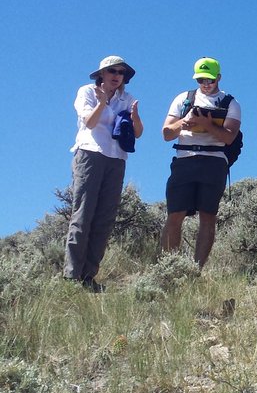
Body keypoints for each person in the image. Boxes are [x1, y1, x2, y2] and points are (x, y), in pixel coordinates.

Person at [64, 55, 144, 292]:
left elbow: (138, 133)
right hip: (90, 155)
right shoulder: (87, 92)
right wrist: (101, 103)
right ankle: (71, 277)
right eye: (112, 71)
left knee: (105, 219)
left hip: (116, 159)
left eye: (121, 72)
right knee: (83, 214)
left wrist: (135, 117)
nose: (116, 76)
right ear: (101, 74)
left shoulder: (127, 99)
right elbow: (89, 122)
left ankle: (88, 277)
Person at [162, 57, 242, 268]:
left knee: (208, 216)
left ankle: (196, 269)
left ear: (219, 78)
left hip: (214, 162)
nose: (206, 84)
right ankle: (169, 268)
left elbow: (228, 137)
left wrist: (206, 124)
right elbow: (167, 133)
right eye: (201, 80)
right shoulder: (183, 99)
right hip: (184, 160)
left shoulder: (230, 103)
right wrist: (184, 122)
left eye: (210, 80)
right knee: (175, 214)